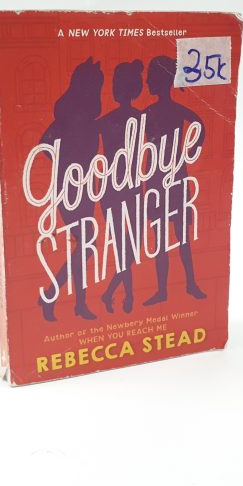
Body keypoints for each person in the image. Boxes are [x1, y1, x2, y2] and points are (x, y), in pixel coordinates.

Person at [38, 57, 104, 321]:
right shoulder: (69, 118)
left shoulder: (87, 119)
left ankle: (78, 303)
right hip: (70, 189)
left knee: (84, 246)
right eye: (96, 86)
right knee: (87, 246)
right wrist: (66, 167)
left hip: (85, 189)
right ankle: (52, 296)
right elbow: (43, 145)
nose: (98, 91)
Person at [143, 56, 207, 306]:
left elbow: (199, 124)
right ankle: (171, 289)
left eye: (151, 78)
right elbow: (199, 124)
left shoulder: (151, 112)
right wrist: (192, 149)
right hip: (164, 177)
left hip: (165, 176)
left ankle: (184, 285)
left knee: (175, 238)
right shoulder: (154, 112)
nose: (148, 82)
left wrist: (193, 149)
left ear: (160, 81)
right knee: (174, 238)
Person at [98, 60, 144, 314]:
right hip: (117, 190)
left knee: (128, 247)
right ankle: (128, 297)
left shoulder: (110, 121)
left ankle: (110, 294)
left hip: (127, 189)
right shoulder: (138, 119)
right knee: (126, 248)